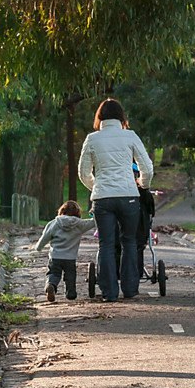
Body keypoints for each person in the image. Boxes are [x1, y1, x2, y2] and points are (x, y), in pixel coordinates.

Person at [78, 98, 154, 300]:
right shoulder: (130, 136)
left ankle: (109, 292)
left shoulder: (92, 139)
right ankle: (129, 289)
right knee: (129, 241)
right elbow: (147, 168)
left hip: (103, 198)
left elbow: (83, 172)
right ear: (122, 118)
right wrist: (142, 184)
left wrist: (97, 187)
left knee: (106, 244)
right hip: (129, 196)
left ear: (99, 118)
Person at [35, 200, 94, 302]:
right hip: (70, 258)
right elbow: (93, 222)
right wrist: (94, 212)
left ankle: (51, 285)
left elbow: (45, 237)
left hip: (55, 256)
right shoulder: (80, 224)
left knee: (54, 273)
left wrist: (38, 247)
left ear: (62, 210)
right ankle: (71, 293)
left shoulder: (53, 223)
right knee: (70, 275)